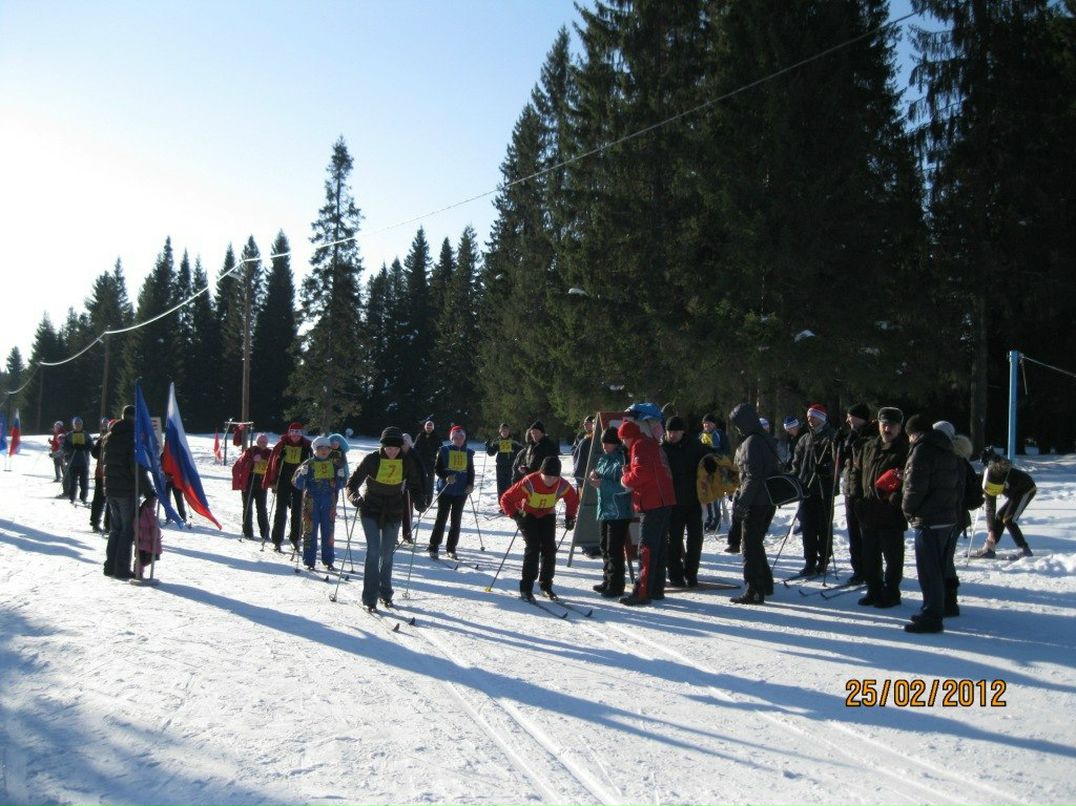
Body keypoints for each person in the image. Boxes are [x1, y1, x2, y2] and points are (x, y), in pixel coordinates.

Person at [346, 426, 425, 610]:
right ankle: (369, 597)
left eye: (396, 448)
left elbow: (415, 485)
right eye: (388, 448)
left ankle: (386, 592)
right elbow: (352, 484)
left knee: (387, 554)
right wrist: (354, 498)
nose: (392, 451)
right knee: (373, 552)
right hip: (370, 509)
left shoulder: (406, 461)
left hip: (394, 510)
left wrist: (420, 501)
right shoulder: (372, 459)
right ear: (382, 446)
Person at [901, 415, 964, 634]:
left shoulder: (923, 449)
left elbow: (914, 487)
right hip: (946, 517)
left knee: (929, 571)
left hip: (928, 519)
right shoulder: (946, 447)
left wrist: (908, 510)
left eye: (909, 436)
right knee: (938, 569)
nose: (909, 440)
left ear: (914, 433)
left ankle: (932, 615)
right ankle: (934, 610)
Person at [850, 407, 909, 609]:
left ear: (900, 427)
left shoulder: (905, 450)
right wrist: (855, 497)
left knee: (892, 557)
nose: (887, 428)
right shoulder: (869, 447)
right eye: (884, 424)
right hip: (867, 509)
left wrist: (895, 499)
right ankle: (873, 589)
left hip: (891, 513)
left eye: (891, 425)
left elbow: (909, 482)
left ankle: (892, 592)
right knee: (870, 555)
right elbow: (855, 473)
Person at [500, 455, 579, 601]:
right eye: (546, 476)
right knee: (533, 547)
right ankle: (526, 588)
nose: (550, 480)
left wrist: (570, 517)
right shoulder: (530, 481)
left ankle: (546, 586)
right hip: (527, 515)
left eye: (553, 477)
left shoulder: (562, 485)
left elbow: (573, 499)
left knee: (549, 549)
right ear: (541, 472)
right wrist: (515, 515)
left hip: (547, 514)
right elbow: (506, 498)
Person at [617, 418, 676, 606]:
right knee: (658, 546)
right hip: (664, 500)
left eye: (623, 439)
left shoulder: (639, 446)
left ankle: (642, 592)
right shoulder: (650, 443)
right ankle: (656, 588)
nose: (623, 444)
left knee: (647, 548)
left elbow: (641, 473)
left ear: (628, 437)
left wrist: (625, 479)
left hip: (652, 502)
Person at [727, 402, 779, 604]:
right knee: (755, 542)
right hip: (767, 499)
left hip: (756, 500)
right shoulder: (765, 437)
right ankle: (765, 583)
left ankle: (754, 589)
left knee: (749, 545)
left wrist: (743, 503)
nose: (737, 428)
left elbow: (752, 476)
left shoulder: (751, 442)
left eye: (738, 423)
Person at [100, 405, 155, 580]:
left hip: (110, 489)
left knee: (115, 529)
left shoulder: (110, 437)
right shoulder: (132, 439)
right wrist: (149, 492)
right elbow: (137, 469)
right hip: (126, 490)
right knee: (126, 531)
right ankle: (121, 568)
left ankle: (110, 565)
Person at [792, 403, 838, 577]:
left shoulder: (831, 437)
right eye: (809, 417)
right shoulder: (805, 438)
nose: (810, 420)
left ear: (821, 418)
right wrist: (793, 478)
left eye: (814, 417)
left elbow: (838, 462)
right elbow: (796, 462)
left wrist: (828, 469)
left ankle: (824, 560)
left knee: (824, 526)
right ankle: (809, 561)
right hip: (807, 488)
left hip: (824, 489)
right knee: (807, 526)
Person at [942, 423, 984, 616]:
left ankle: (949, 601)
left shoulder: (955, 461)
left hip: (952, 516)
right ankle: (946, 598)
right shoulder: (958, 459)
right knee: (944, 559)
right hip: (954, 517)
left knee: (944, 560)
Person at [662, 416, 708, 587]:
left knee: (695, 540)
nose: (672, 435)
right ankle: (675, 574)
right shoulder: (662, 449)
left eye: (675, 432)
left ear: (683, 432)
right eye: (669, 432)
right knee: (673, 540)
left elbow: (710, 458)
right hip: (672, 502)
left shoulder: (695, 445)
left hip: (694, 500)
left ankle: (691, 573)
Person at [588, 426, 632, 597]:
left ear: (616, 443)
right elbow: (598, 475)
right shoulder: (603, 459)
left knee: (614, 549)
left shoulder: (622, 459)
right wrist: (594, 476)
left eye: (608, 443)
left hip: (619, 511)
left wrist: (602, 484)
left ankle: (616, 585)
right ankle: (607, 580)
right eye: (603, 442)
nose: (605, 445)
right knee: (604, 547)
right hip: (605, 508)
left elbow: (626, 486)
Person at [292, 435, 347, 571]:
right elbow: (297, 484)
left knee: (328, 531)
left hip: (329, 502)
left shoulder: (334, 465)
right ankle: (309, 560)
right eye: (320, 448)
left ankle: (328, 560)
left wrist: (341, 477)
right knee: (310, 530)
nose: (324, 451)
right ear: (315, 449)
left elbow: (340, 485)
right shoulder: (308, 464)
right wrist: (302, 475)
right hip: (311, 502)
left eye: (327, 448)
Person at [972, 450, 1036, 560]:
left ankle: (1024, 549)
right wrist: (991, 531)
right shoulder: (986, 483)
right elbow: (990, 508)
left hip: (1026, 489)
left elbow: (1004, 461)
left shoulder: (1001, 470)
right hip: (1014, 493)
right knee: (999, 517)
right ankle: (990, 548)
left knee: (1008, 519)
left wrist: (992, 456)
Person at [427, 425, 475, 559]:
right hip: (445, 490)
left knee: (456, 520)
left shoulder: (468, 452)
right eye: (456, 437)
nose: (459, 439)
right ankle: (434, 545)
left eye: (461, 437)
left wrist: (470, 484)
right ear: (452, 438)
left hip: (461, 491)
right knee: (441, 518)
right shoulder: (444, 450)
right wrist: (445, 477)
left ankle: (451, 548)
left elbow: (471, 471)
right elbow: (437, 469)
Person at [264, 422, 312, 551]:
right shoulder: (282, 444)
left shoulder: (307, 446)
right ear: (289, 433)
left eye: (298, 433)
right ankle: (277, 540)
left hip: (299, 482)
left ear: (301, 434)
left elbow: (313, 462)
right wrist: (272, 479)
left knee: (297, 511)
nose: (295, 436)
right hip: (283, 480)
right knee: (280, 510)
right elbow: (272, 463)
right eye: (293, 433)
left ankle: (295, 539)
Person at [840, 402, 873, 586]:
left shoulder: (871, 435)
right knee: (853, 532)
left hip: (863, 491)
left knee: (865, 533)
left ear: (860, 418)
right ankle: (858, 569)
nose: (847, 420)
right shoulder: (852, 435)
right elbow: (845, 459)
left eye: (851, 417)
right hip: (850, 490)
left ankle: (869, 570)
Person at [233, 433, 272, 543]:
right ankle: (248, 532)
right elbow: (240, 465)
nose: (263, 444)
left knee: (262, 509)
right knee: (247, 508)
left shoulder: (269, 453)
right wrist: (252, 461)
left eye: (265, 442)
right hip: (249, 483)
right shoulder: (250, 451)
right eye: (261, 442)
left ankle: (265, 533)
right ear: (257, 442)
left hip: (261, 484)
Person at [698, 413, 730, 532]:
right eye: (705, 423)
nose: (706, 425)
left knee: (716, 497)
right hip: (704, 471)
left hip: (717, 470)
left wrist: (715, 454)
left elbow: (726, 451)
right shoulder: (701, 436)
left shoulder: (719, 434)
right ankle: (709, 519)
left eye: (709, 423)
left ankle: (716, 521)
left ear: (714, 424)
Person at [398, 433, 426, 544]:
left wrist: (424, 490)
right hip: (396, 486)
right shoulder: (396, 453)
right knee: (395, 511)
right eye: (402, 442)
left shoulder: (414, 454)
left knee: (407, 512)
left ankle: (407, 534)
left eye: (406, 442)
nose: (404, 445)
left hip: (410, 487)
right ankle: (392, 534)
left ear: (410, 444)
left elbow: (422, 472)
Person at [484, 423, 523, 500]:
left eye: (506, 430)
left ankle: (510, 504)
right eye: (503, 431)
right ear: (500, 431)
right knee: (501, 486)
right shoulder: (497, 441)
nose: (504, 432)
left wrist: (514, 451)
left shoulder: (513, 440)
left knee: (510, 485)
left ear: (509, 431)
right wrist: (488, 447)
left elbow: (521, 451)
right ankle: (502, 504)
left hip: (511, 466)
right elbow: (491, 453)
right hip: (500, 466)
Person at [62, 416, 92, 504]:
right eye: (76, 424)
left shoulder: (86, 435)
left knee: (84, 481)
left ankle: (83, 497)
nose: (78, 425)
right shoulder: (69, 435)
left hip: (84, 462)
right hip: (72, 462)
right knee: (72, 481)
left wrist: (85, 446)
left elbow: (91, 446)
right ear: (73, 425)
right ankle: (72, 497)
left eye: (79, 424)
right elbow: (65, 448)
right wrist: (71, 447)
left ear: (82, 425)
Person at [89, 417, 112, 533]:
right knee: (100, 499)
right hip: (101, 474)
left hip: (109, 474)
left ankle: (107, 524)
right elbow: (94, 454)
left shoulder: (112, 439)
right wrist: (99, 442)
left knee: (108, 501)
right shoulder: (101, 439)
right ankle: (95, 522)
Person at [413, 419, 441, 510]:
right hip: (421, 463)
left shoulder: (436, 436)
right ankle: (420, 499)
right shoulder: (420, 436)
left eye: (430, 426)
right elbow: (415, 448)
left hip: (431, 463)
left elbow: (440, 448)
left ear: (433, 427)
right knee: (420, 481)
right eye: (427, 426)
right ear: (425, 427)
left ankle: (428, 500)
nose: (429, 428)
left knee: (430, 482)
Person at [571, 415, 596, 490]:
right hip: (579, 468)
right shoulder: (580, 436)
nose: (584, 425)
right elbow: (573, 449)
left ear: (593, 424)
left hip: (589, 469)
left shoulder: (597, 436)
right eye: (584, 423)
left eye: (587, 423)